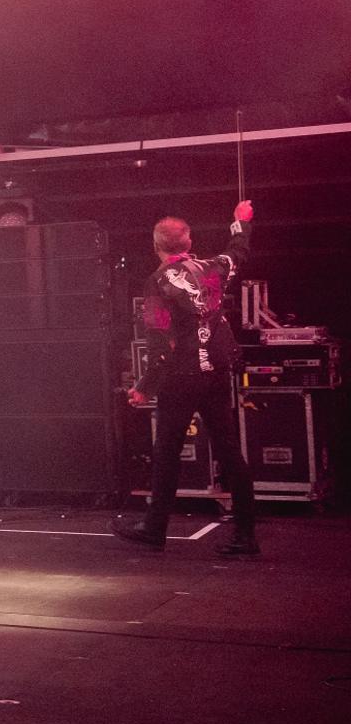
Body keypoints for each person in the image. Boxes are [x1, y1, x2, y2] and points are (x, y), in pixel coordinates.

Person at [118, 200, 257, 556]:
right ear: (188, 241)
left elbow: (160, 343)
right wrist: (240, 221)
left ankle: (154, 528)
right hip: (215, 372)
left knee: (166, 452)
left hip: (181, 376)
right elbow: (237, 251)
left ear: (157, 246)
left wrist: (143, 387)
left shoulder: (157, 283)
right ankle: (245, 535)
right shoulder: (213, 268)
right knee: (229, 451)